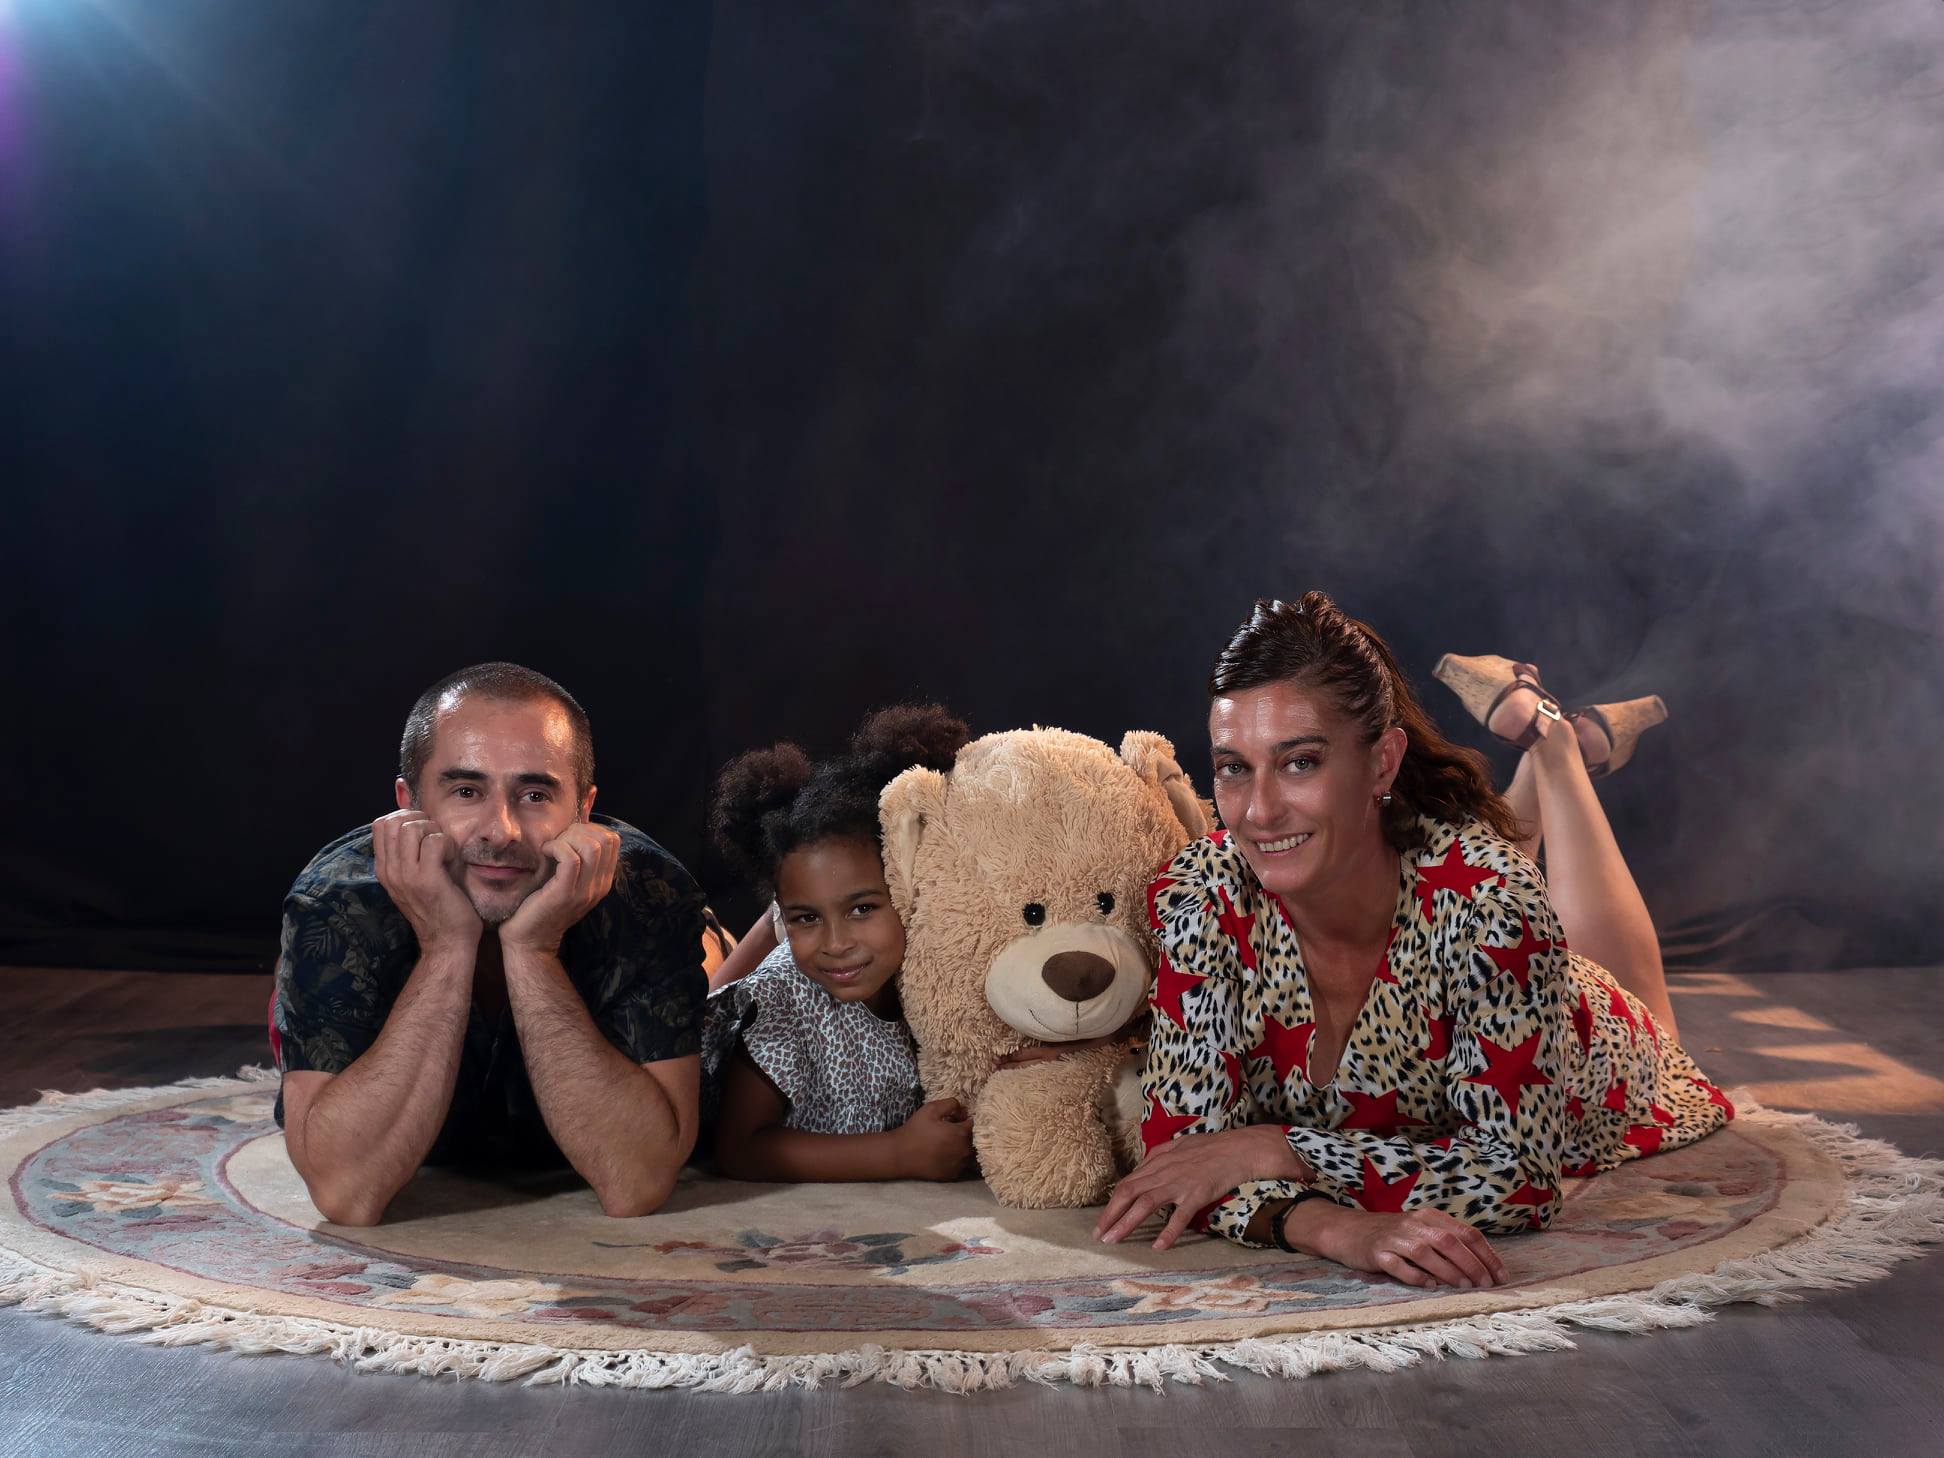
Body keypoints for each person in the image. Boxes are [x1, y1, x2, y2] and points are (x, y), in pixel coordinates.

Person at [1095, 594, 1734, 1290]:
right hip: (1448, 907)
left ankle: (1555, 745)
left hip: (1597, 1048)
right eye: (1233, 768)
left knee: (1635, 998)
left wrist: (1277, 1148)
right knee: (1469, 879)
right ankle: (1563, 741)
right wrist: (1333, 1227)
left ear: (1382, 762)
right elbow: (1185, 1158)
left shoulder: (1494, 906)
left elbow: (1517, 1180)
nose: (1259, 811)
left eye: (1300, 762)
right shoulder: (1202, 894)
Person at [270, 662, 708, 1226]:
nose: (500, 831)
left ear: (583, 809)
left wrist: (534, 950)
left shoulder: (650, 892)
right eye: (466, 791)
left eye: (535, 794)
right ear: (409, 804)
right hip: (372, 967)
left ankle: (719, 938)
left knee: (715, 986)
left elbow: (636, 1184)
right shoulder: (337, 900)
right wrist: (446, 945)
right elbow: (345, 1194)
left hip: (644, 931)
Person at [701, 705, 978, 1182]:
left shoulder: (937, 970)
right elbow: (738, 1149)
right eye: (806, 918)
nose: (836, 943)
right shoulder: (783, 999)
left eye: (862, 908)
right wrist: (899, 1154)